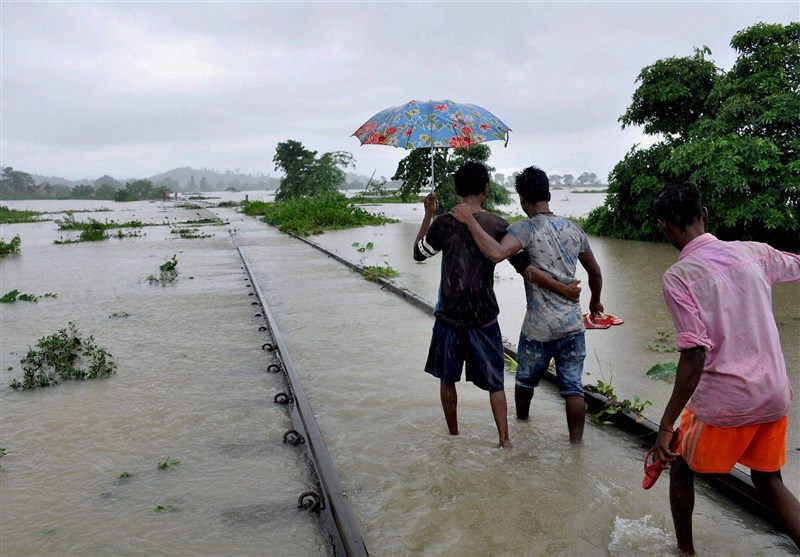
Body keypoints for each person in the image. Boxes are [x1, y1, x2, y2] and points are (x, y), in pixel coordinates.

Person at [651, 180, 799, 553]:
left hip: (729, 402)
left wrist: (666, 424)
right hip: (775, 393)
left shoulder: (678, 278)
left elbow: (695, 355)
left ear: (666, 228)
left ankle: (684, 551)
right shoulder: (755, 253)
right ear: (704, 215)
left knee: (680, 461)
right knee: (769, 481)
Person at [413, 162, 578, 448]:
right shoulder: (497, 224)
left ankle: (453, 437)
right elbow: (525, 267)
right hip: (484, 316)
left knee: (447, 378)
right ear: (485, 189)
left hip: (449, 315)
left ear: (456, 189)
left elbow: (418, 254)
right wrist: (562, 288)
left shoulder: (444, 223)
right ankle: (504, 440)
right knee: (496, 383)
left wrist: (428, 215)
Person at [450, 166, 603, 443]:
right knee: (573, 389)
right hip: (572, 325)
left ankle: (521, 425)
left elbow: (496, 254)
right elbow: (595, 273)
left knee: (524, 382)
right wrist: (595, 303)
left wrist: (470, 222)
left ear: (522, 200)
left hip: (538, 328)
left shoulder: (525, 229)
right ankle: (576, 446)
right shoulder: (573, 229)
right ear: (549, 194)